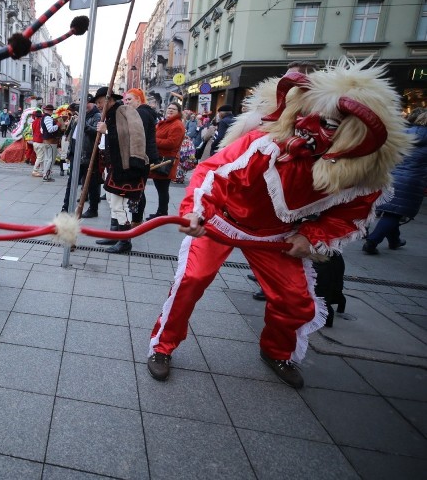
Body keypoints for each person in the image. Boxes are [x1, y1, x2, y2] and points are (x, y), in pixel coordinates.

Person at [145, 58, 410, 389]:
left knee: (295, 299)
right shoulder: (266, 144)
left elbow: (351, 214)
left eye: (332, 125)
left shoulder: (363, 175)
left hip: (276, 235)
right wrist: (197, 211)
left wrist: (312, 237)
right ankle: (162, 347)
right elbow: (213, 172)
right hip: (222, 220)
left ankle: (277, 351)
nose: (310, 129)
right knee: (192, 279)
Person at [363, 107, 427, 254]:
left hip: (392, 175)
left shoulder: (403, 133)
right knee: (394, 213)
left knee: (393, 210)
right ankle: (373, 241)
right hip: (413, 180)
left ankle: (394, 240)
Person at [93, 87, 148, 254]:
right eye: (96, 103)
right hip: (115, 166)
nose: (98, 106)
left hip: (128, 166)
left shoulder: (125, 111)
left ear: (109, 100)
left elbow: (134, 135)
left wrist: (107, 130)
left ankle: (124, 242)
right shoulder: (110, 114)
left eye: (100, 102)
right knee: (111, 200)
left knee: (120, 204)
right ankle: (116, 234)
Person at [121, 88, 158, 223]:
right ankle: (136, 221)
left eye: (130, 99)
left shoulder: (141, 113)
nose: (127, 102)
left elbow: (136, 136)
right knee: (138, 190)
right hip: (142, 156)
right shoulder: (142, 112)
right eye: (125, 100)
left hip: (140, 157)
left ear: (138, 99)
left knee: (136, 190)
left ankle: (136, 222)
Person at [61, 99, 102, 216]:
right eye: (83, 103)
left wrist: (83, 123)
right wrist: (70, 152)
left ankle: (93, 209)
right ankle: (66, 208)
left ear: (93, 104)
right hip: (76, 155)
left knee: (92, 184)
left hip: (89, 155)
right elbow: (72, 135)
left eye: (88, 103)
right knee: (72, 183)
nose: (85, 105)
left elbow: (96, 133)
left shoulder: (97, 116)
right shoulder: (78, 116)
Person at [147, 101, 185, 218]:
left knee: (163, 189)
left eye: (173, 109)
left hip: (166, 160)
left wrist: (153, 140)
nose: (170, 110)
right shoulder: (165, 123)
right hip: (160, 158)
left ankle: (162, 212)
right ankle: (161, 211)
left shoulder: (177, 125)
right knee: (161, 188)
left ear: (179, 112)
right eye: (169, 108)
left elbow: (171, 143)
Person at [39, 105, 61, 182]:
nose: (52, 112)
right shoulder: (47, 118)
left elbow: (42, 130)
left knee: (47, 159)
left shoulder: (43, 118)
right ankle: (46, 176)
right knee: (50, 159)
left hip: (46, 141)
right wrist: (57, 125)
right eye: (51, 111)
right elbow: (50, 129)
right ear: (50, 111)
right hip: (51, 141)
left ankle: (45, 174)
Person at [30, 108, 45, 176]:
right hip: (40, 141)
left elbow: (32, 132)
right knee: (40, 157)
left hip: (35, 141)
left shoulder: (33, 122)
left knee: (40, 156)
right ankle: (35, 170)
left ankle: (43, 170)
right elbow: (42, 132)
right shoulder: (41, 121)